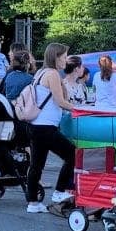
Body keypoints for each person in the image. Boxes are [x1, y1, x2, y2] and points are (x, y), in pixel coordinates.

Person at [21, 42, 78, 213]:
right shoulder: (52, 74)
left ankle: (33, 203)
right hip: (46, 127)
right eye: (64, 57)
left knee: (36, 165)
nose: (66, 60)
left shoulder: (41, 72)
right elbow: (60, 101)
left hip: (35, 126)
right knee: (72, 154)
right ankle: (60, 191)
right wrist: (80, 109)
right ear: (56, 57)